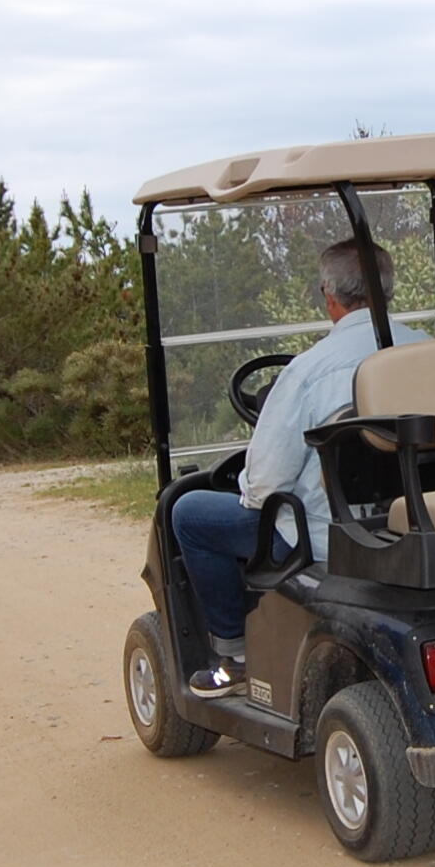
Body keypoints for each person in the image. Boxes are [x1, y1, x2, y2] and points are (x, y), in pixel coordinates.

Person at [169, 238, 417, 697]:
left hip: (327, 538)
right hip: (413, 525)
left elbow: (265, 486)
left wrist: (244, 485)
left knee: (190, 513)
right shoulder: (431, 351)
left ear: (329, 294)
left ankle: (233, 654)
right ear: (389, 289)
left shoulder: (309, 371)